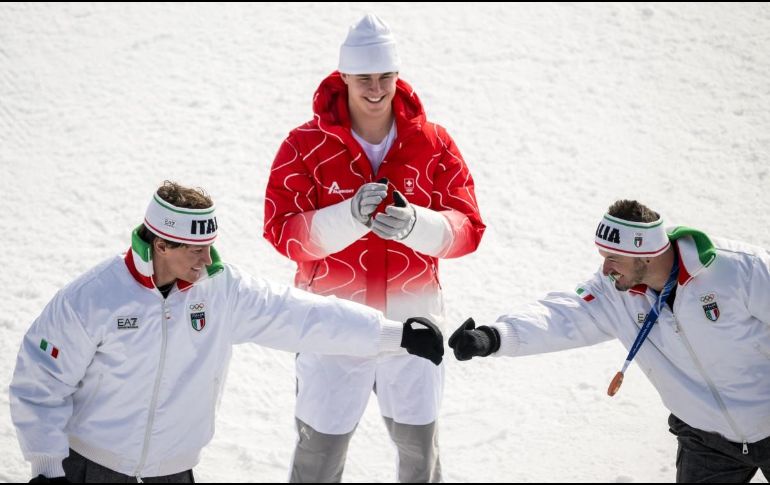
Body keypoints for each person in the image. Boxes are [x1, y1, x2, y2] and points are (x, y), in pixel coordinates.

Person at [9, 181, 444, 483]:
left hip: (174, 472)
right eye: (195, 249)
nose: (207, 258)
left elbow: (303, 316)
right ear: (161, 244)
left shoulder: (221, 290)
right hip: (93, 469)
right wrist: (47, 468)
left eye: (210, 245)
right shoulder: (94, 297)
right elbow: (41, 380)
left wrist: (394, 336)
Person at [263, 13, 484, 483]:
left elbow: (469, 229)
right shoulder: (304, 145)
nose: (377, 89)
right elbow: (282, 231)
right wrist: (349, 216)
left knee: (420, 459)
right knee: (317, 461)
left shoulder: (434, 142)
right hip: (332, 327)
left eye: (386, 76)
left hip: (415, 326)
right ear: (343, 76)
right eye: (364, 77)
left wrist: (414, 226)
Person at [449, 199, 770, 483]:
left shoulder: (739, 269)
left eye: (614, 257)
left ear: (647, 254)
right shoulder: (615, 293)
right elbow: (564, 315)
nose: (605, 268)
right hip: (704, 438)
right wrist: (494, 337)